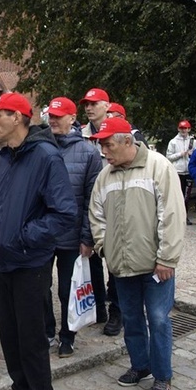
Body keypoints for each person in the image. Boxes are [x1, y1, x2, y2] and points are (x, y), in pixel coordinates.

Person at [0, 92, 76, 390]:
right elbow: (0, 204)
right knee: (10, 335)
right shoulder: (4, 157)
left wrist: (22, 237)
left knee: (32, 340)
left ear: (18, 117)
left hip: (30, 263)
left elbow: (64, 214)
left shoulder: (47, 157)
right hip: (5, 261)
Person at [89, 117, 186, 390]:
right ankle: (140, 366)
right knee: (131, 318)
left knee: (157, 319)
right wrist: (105, 248)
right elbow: (96, 216)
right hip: (121, 265)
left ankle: (162, 375)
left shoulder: (158, 166)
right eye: (102, 146)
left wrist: (167, 258)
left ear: (127, 142)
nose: (104, 152)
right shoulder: (105, 175)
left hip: (156, 264)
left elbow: (172, 214)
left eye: (108, 145)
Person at [44, 97, 103, 358]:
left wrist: (87, 237)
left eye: (59, 116)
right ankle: (46, 330)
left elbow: (92, 198)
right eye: (51, 116)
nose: (53, 120)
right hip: (43, 232)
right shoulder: (40, 146)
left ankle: (67, 335)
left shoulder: (89, 152)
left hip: (71, 233)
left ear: (72, 118)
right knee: (39, 286)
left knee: (67, 288)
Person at [80, 87, 122, 337]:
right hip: (90, 204)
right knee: (91, 258)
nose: (89, 107)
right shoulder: (81, 135)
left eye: (95, 103)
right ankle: (98, 307)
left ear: (107, 105)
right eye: (86, 103)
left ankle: (118, 311)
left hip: (116, 204)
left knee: (115, 261)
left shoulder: (123, 131)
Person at [166, 120, 196, 226]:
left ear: (189, 129)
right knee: (178, 195)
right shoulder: (173, 142)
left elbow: (195, 155)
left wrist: (191, 155)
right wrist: (180, 154)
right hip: (177, 172)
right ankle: (176, 217)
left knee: (187, 196)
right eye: (182, 128)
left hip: (188, 172)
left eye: (186, 128)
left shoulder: (193, 141)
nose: (184, 130)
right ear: (179, 129)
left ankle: (185, 216)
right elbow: (168, 157)